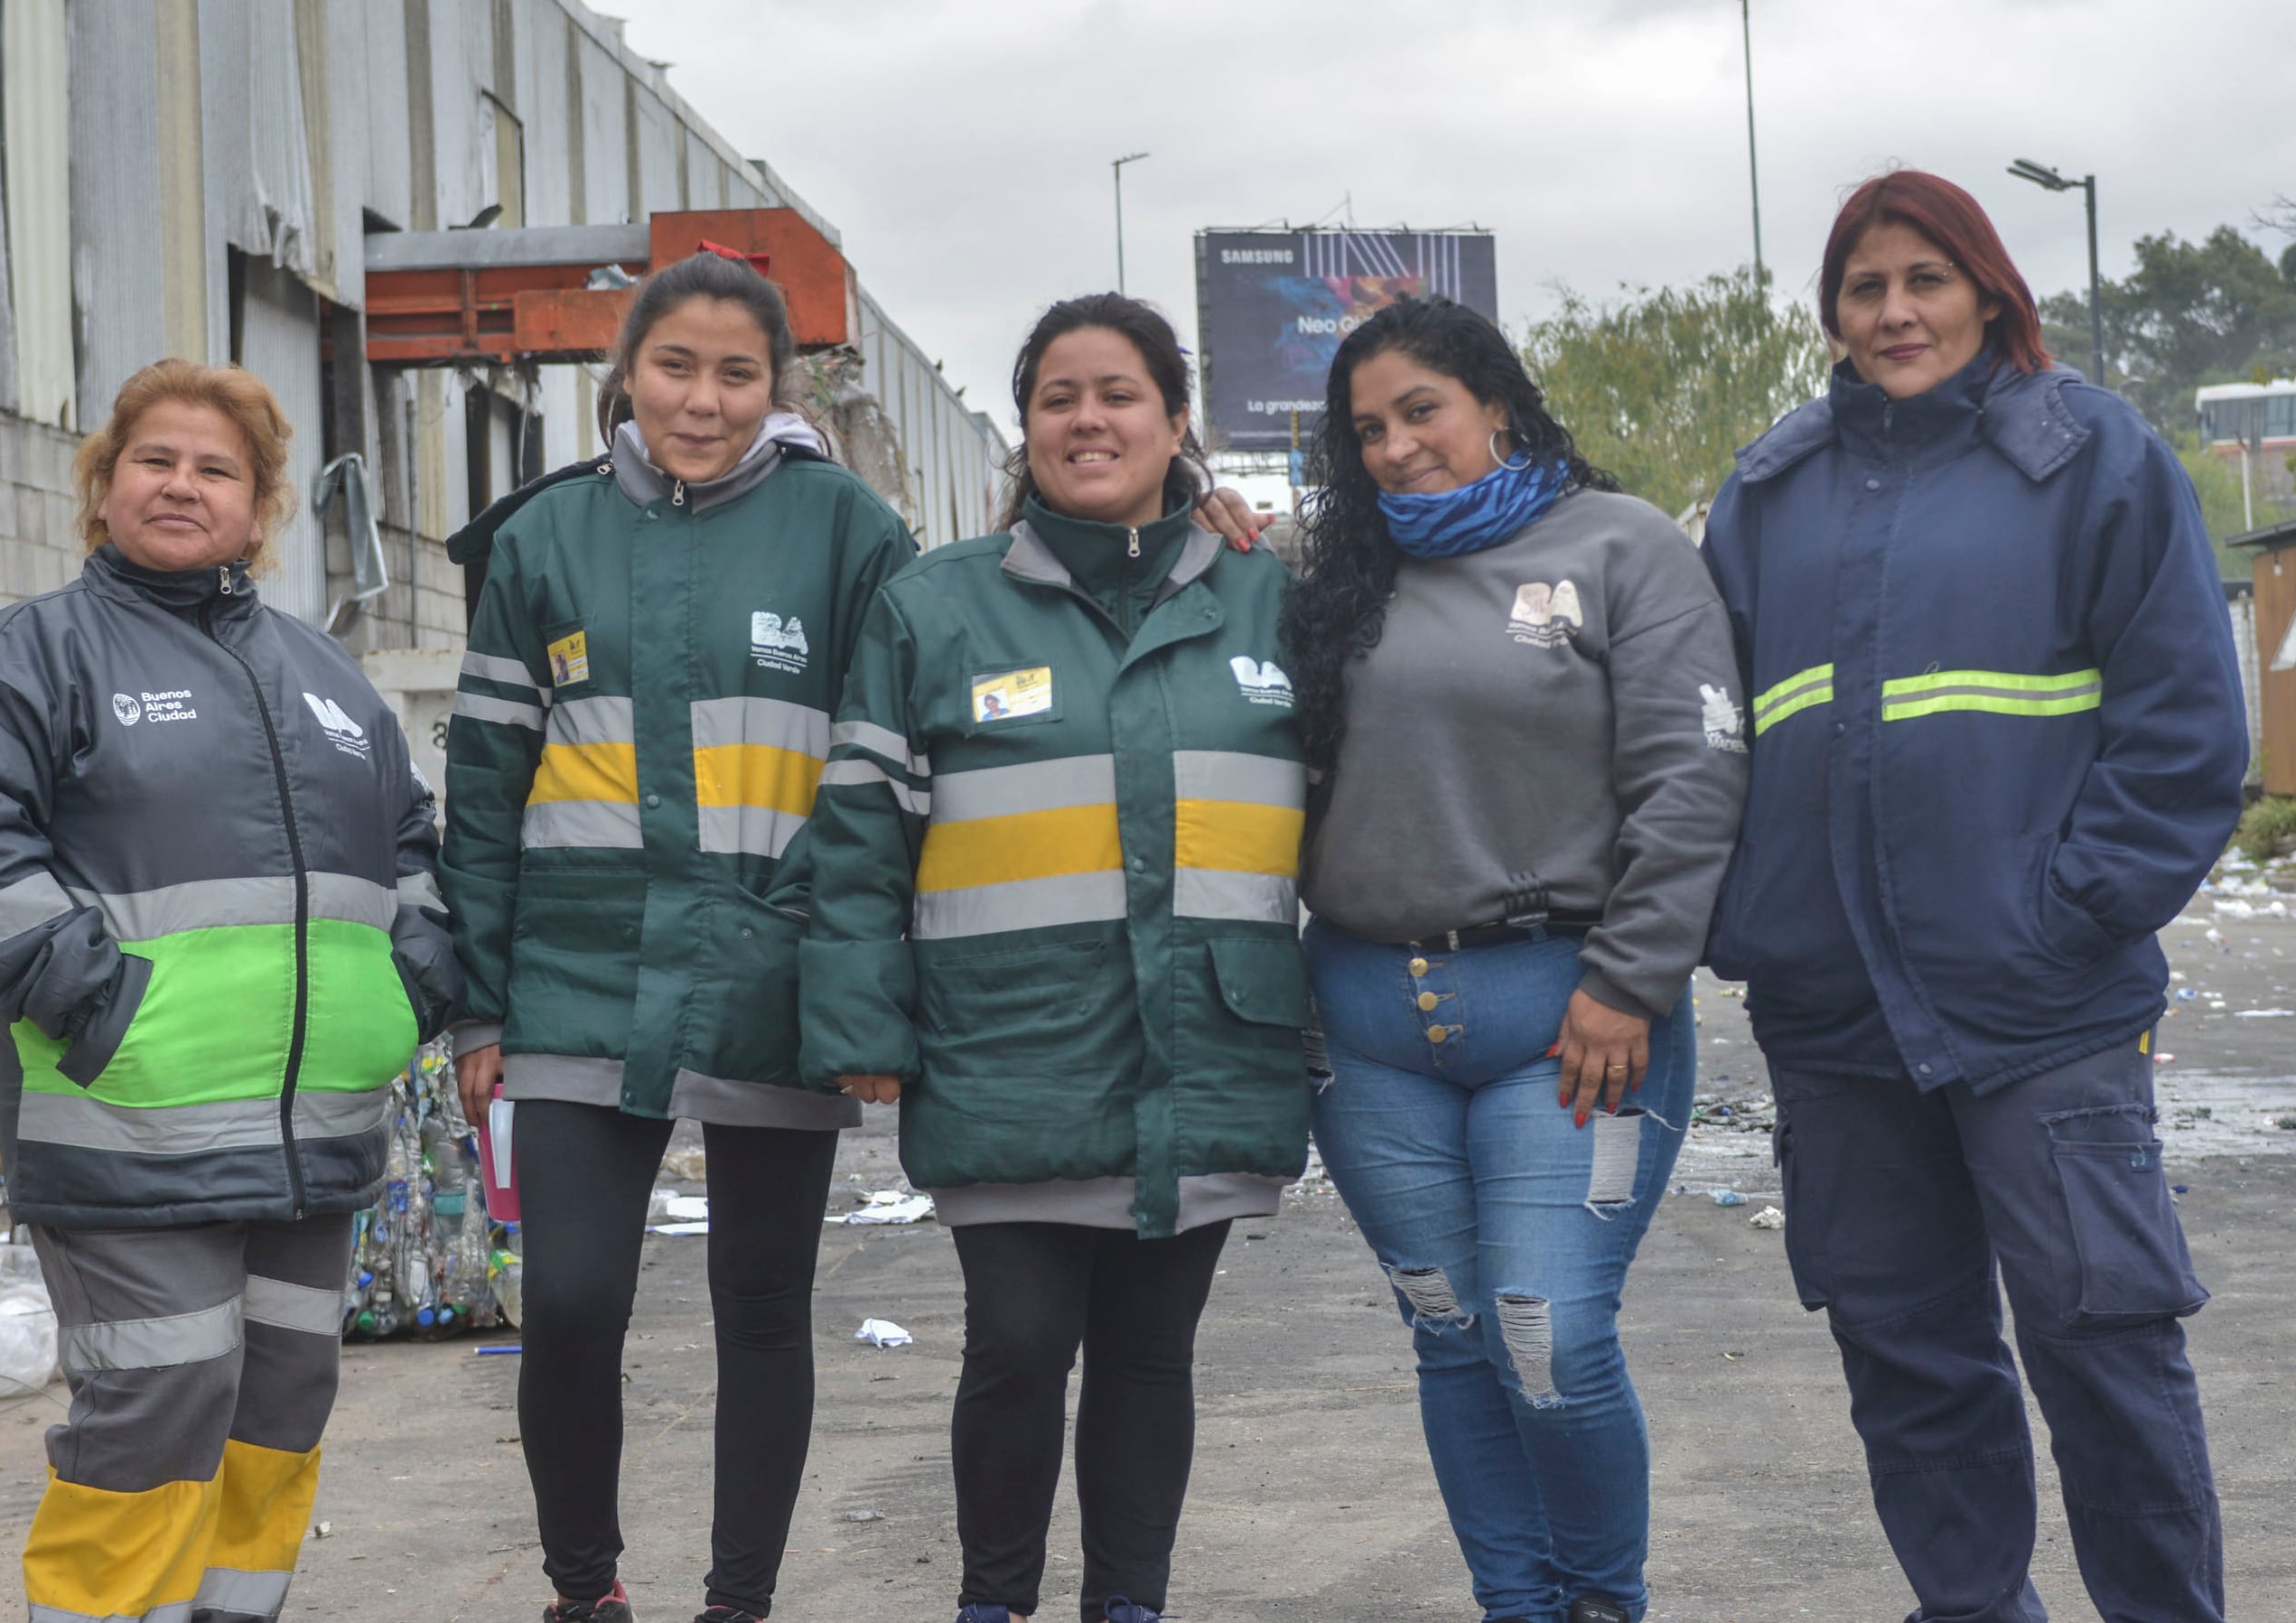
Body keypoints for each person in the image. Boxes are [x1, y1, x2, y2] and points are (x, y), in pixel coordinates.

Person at [1702, 171, 2246, 1623]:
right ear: (1832, 311)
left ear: (1989, 291)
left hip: (2043, 1008)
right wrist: (1747, 923)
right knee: (1911, 1363)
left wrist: (2072, 912)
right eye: (1865, 286)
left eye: (1924, 280)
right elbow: (1703, 737)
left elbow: (2188, 726)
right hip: (1834, 1018)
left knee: (2105, 1352)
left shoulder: (2093, 460)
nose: (1894, 313)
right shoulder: (1766, 494)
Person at [0, 358, 455, 1623]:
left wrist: (405, 985)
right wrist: (105, 1005)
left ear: (258, 511)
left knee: (274, 1415)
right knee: (155, 1416)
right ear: (104, 489)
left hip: (314, 1136)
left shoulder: (328, 678)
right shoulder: (37, 655)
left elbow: (413, 843)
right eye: (154, 460)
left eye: (217, 468)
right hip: (130, 1131)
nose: (182, 484)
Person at [798, 294, 1311, 1623]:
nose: (1088, 419)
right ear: (1023, 428)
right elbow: (857, 834)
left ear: (1177, 419)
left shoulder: (1269, 597)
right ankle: (994, 1602)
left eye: (1120, 392)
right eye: (1057, 397)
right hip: (1008, 1046)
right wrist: (861, 1020)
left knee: (1152, 1355)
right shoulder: (936, 607)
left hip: (1207, 1044)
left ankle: (1127, 1603)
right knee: (1018, 1347)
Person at [440, 250, 917, 1623]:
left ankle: (739, 1603)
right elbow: (481, 792)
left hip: (777, 977)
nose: (701, 401)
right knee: (574, 1300)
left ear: (776, 386)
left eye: (736, 373)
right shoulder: (541, 541)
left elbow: (893, 768)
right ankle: (583, 1590)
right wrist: (480, 1007)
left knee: (761, 1307)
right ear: (626, 372)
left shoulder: (848, 531)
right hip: (578, 986)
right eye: (675, 367)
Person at [1274, 296, 1746, 1623]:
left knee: (1550, 1332)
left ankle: (1601, 1604)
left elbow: (1693, 779)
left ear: (1496, 401)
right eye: (1367, 429)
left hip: (1573, 1018)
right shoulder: (1335, 575)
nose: (1398, 448)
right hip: (1364, 1027)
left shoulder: (1622, 546)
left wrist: (1631, 977)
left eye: (1422, 410)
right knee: (1451, 1333)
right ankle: (1513, 1606)